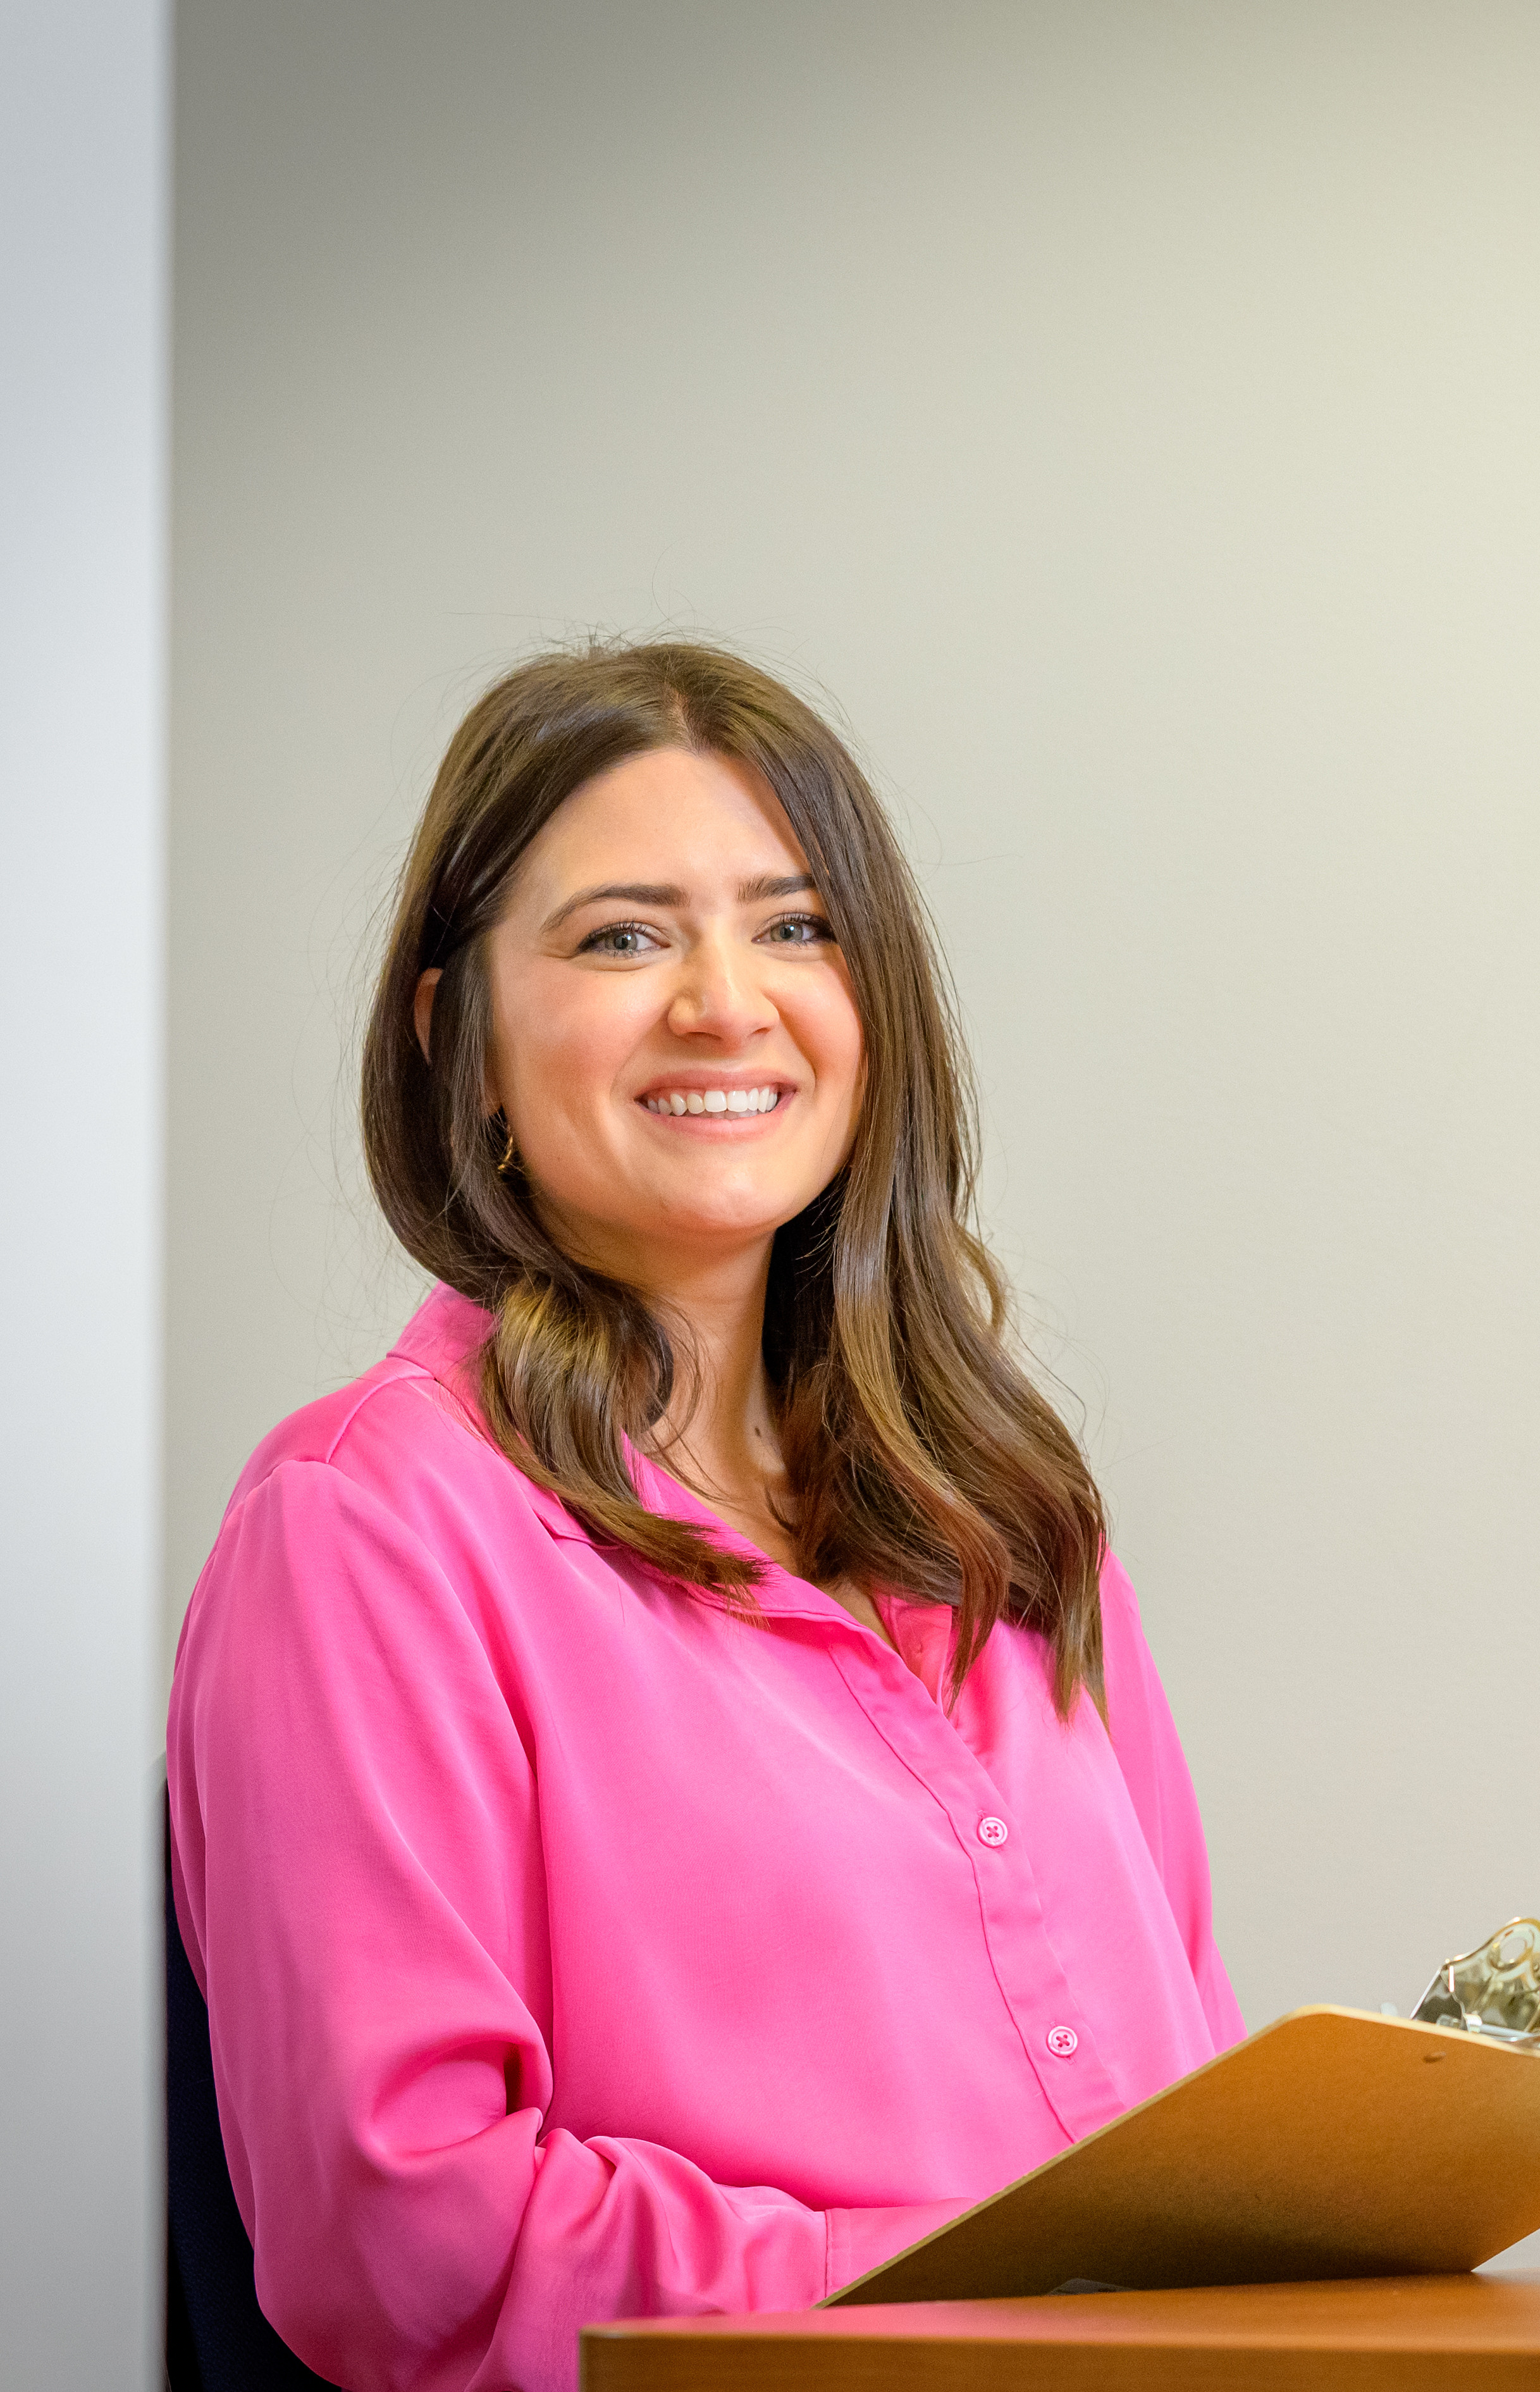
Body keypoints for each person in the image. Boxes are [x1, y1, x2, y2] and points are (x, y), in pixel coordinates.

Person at [166, 642, 1241, 2392]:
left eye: (796, 927)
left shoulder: (1010, 1517)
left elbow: (1186, 2096)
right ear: (464, 1041)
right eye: (623, 936)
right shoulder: (366, 1526)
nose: (727, 1002)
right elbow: (405, 2241)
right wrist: (1004, 2294)